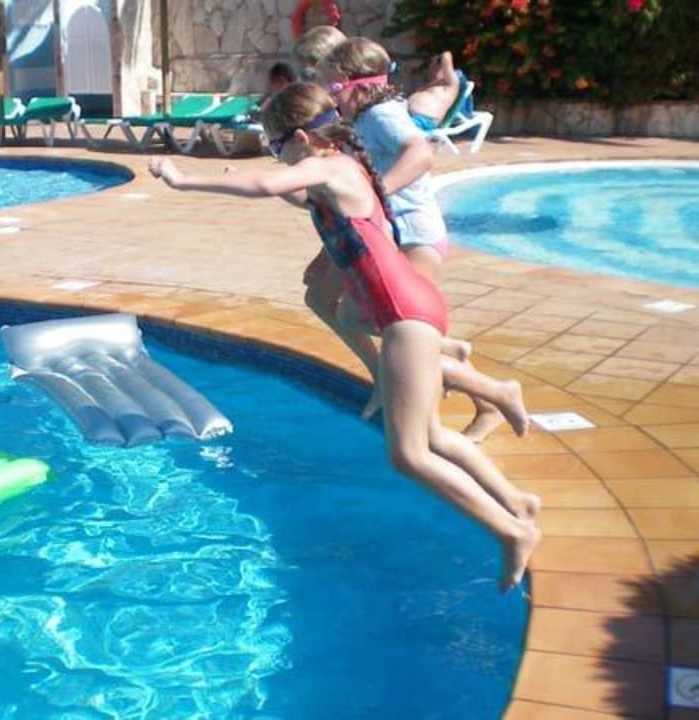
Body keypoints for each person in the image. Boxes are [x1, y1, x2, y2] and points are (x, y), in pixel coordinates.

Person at [147, 82, 541, 593]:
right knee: (434, 437)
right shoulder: (338, 171)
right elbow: (292, 192)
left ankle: (511, 531)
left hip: (404, 314)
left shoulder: (331, 166)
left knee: (408, 454)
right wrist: (249, 177)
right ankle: (517, 501)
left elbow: (269, 183)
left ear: (302, 138)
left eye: (276, 146)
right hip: (409, 309)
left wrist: (184, 179)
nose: (277, 157)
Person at [315, 36, 526, 441]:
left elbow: (421, 153)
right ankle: (456, 361)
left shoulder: (381, 115)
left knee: (405, 333)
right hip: (398, 236)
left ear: (359, 85)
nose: (332, 96)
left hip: (416, 235)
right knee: (353, 315)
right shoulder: (364, 119)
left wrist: (377, 196)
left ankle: (493, 396)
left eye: (335, 87)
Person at [406, 51, 461, 131]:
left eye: (434, 64)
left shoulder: (450, 84)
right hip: (407, 117)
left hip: (423, 120)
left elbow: (446, 55)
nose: (431, 67)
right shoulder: (430, 84)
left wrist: (439, 59)